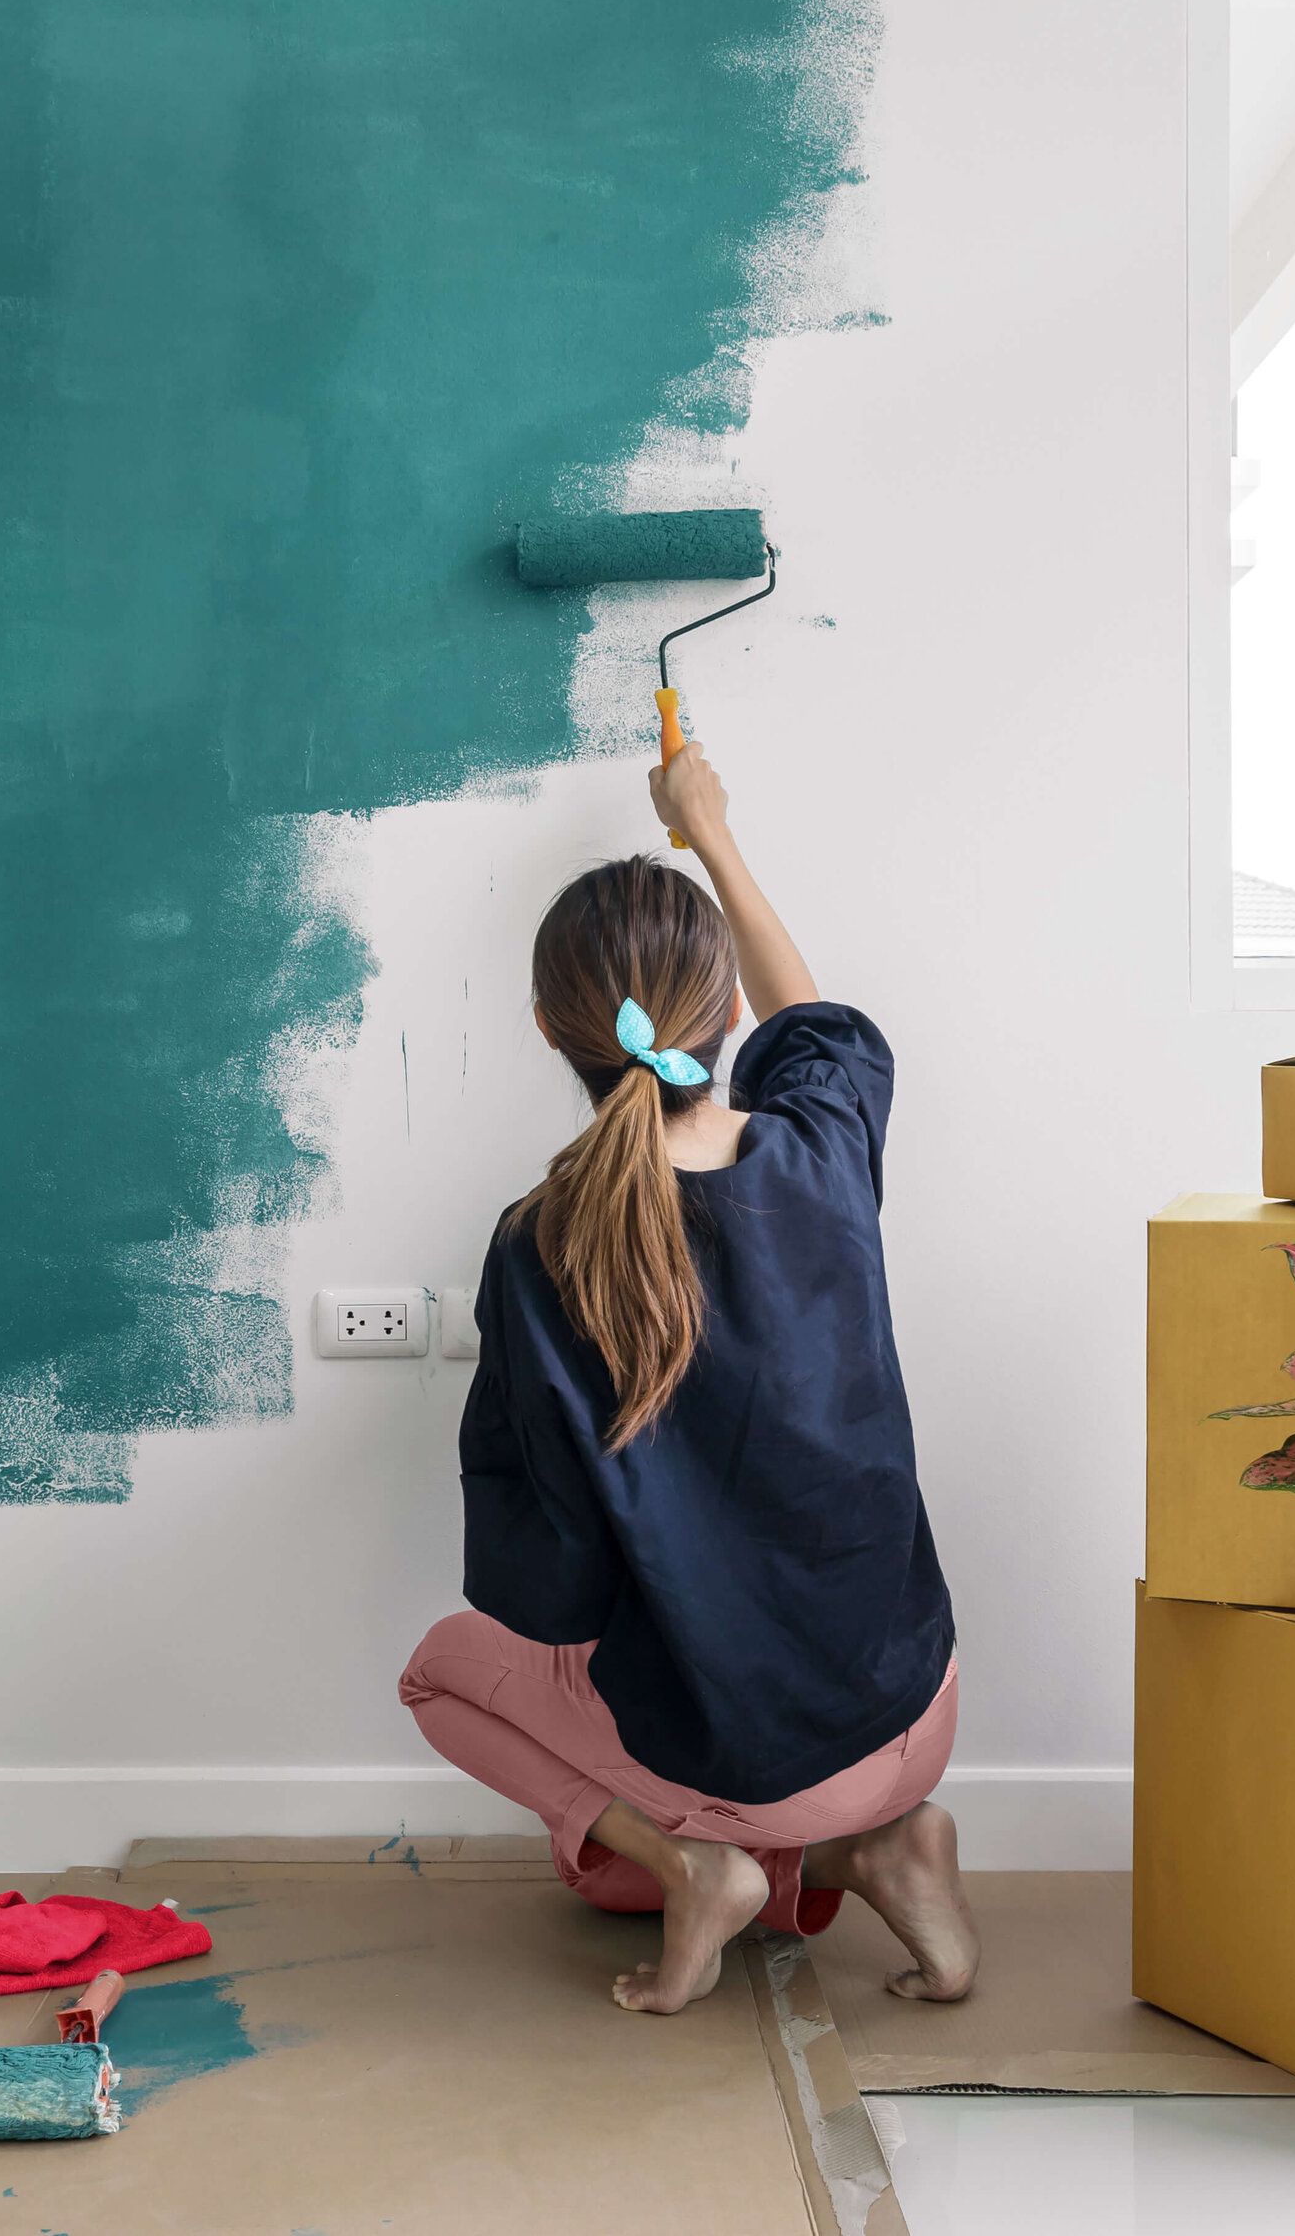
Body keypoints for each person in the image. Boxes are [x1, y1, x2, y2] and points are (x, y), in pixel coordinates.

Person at [397, 745, 974, 2016]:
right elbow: (816, 1025)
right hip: (918, 1707)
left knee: (442, 1669)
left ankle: (697, 1862)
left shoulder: (534, 1243)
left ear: (550, 1033)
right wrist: (708, 830)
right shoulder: (822, 1154)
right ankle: (878, 1838)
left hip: (757, 1763)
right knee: (703, 1744)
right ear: (723, 1015)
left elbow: (548, 1586)